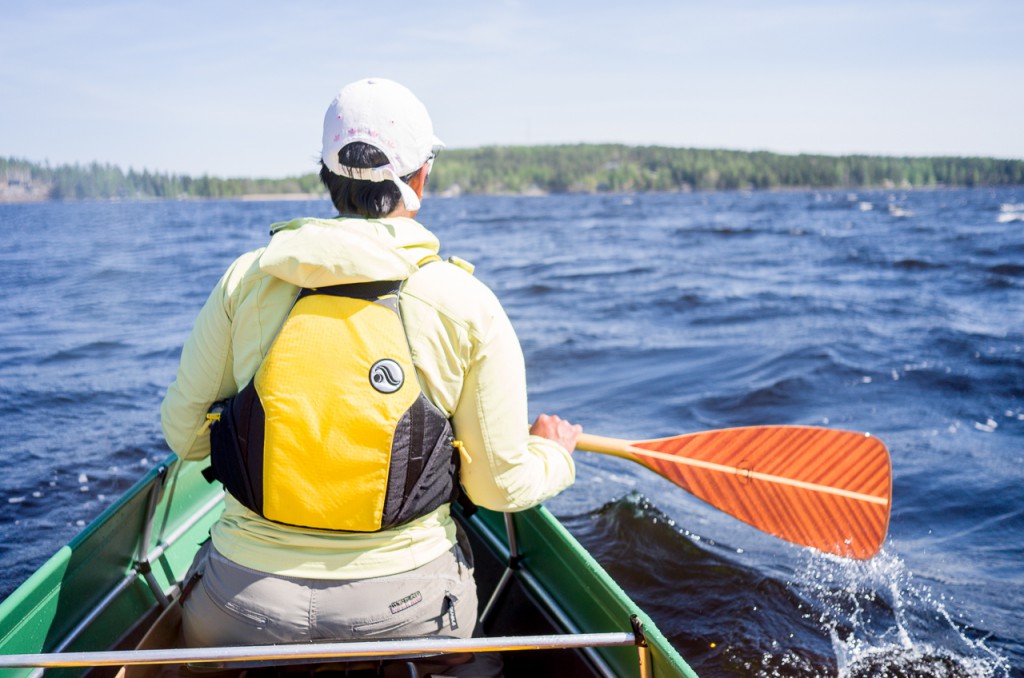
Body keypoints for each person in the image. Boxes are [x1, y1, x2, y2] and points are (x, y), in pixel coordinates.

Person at [160, 77, 580, 675]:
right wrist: (555, 453)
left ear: (327, 176)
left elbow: (186, 437)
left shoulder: (245, 281)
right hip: (407, 610)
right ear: (422, 177)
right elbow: (496, 489)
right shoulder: (465, 301)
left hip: (243, 607)